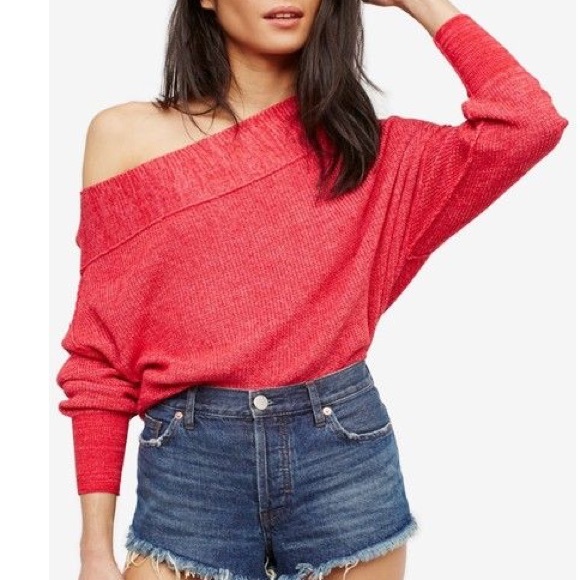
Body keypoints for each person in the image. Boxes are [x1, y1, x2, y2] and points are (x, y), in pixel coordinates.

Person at [55, 0, 568, 579]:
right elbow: (99, 356)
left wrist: (420, 3)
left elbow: (528, 122)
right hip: (191, 466)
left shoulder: (375, 157)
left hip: (340, 459)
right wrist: (93, 549)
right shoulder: (124, 137)